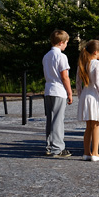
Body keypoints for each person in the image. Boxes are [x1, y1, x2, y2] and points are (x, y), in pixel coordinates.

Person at [75, 39, 99, 161]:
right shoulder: (97, 64)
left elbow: (78, 84)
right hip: (94, 96)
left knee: (88, 126)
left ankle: (86, 153)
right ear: (95, 52)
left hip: (85, 94)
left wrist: (80, 96)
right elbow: (98, 83)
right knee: (96, 124)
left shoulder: (82, 63)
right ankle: (95, 153)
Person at [42, 29, 74, 157]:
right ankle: (58, 148)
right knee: (58, 120)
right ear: (61, 42)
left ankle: (49, 146)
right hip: (59, 90)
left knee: (50, 119)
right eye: (66, 42)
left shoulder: (46, 55)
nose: (66, 45)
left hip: (48, 89)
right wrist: (70, 92)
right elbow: (64, 76)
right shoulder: (61, 56)